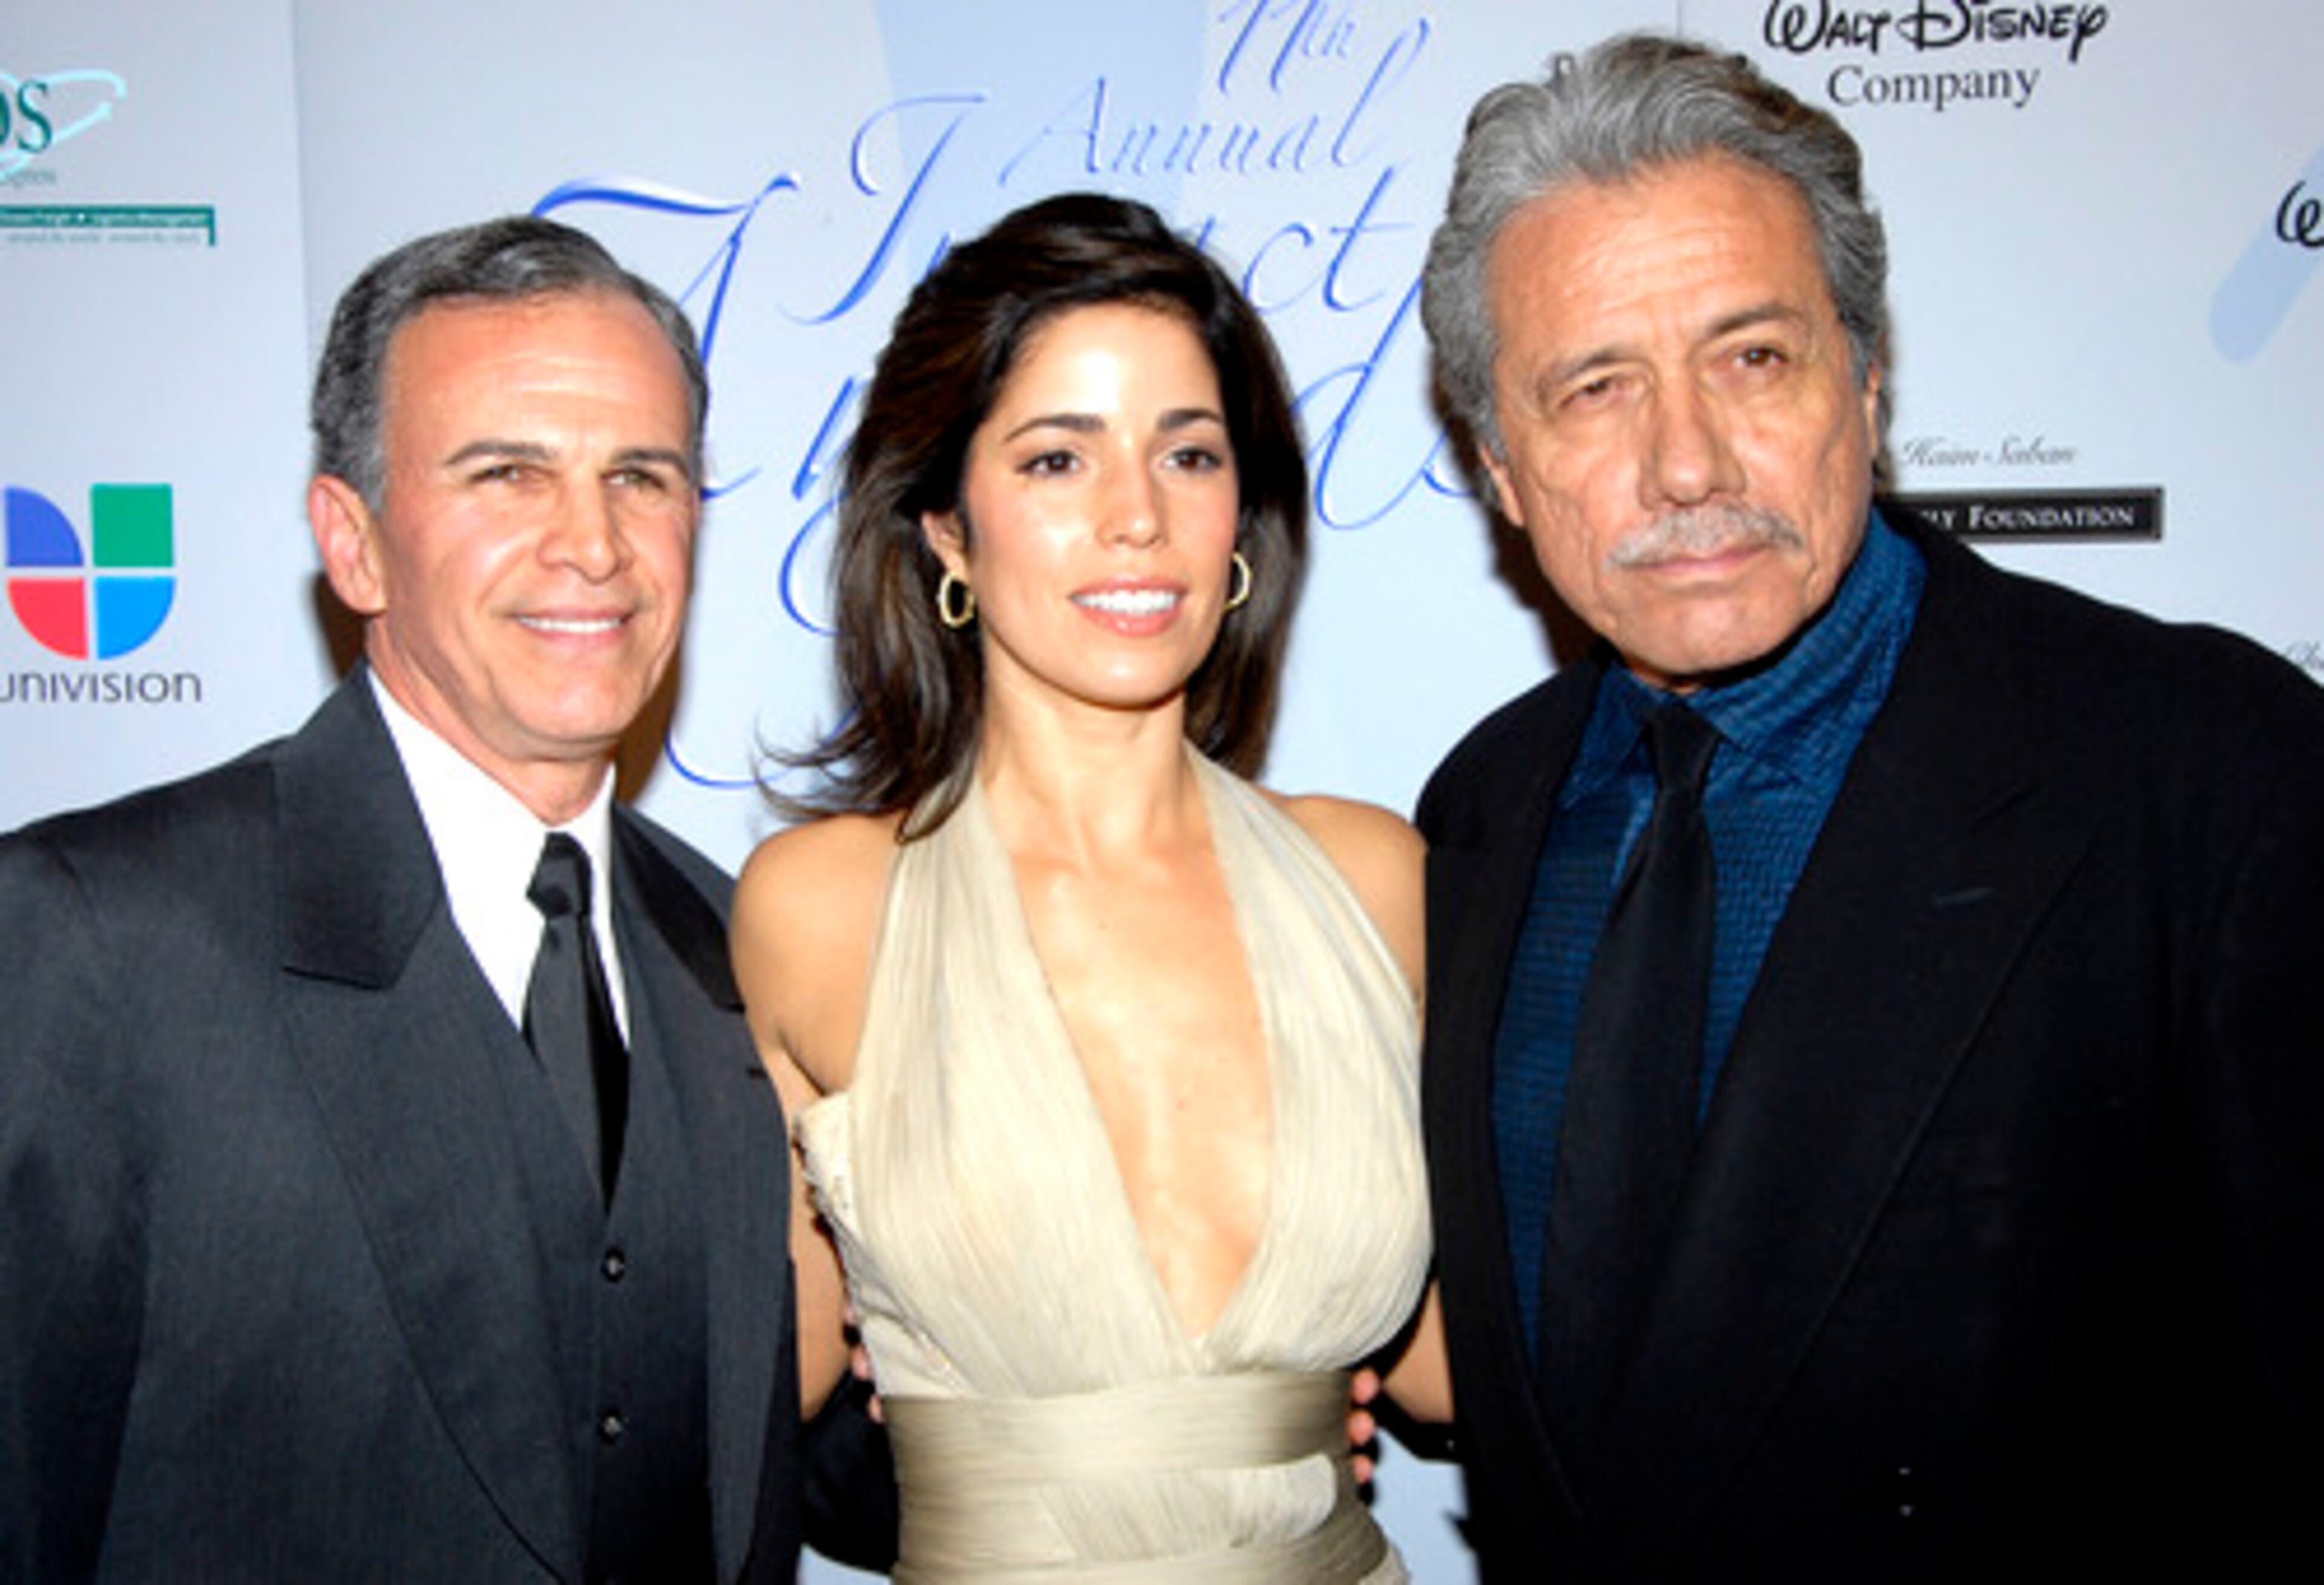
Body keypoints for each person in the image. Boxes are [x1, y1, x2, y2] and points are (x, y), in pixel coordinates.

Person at [1413, 32, 2324, 1581]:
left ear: (1868, 376)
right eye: (1594, 388)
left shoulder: (2207, 769)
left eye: (1752, 357)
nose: (1687, 461)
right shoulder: (1480, 812)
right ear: (1502, 465)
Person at [0, 215, 890, 1580]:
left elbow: (810, 1461)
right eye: (507, 475)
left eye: (641, 477)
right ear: (353, 544)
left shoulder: (742, 947)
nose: (592, 545)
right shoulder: (99, 938)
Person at [731, 192, 1449, 1580]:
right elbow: (758, 1387)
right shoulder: (819, 911)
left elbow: (1456, 1369)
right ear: (946, 525)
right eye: (1059, 460)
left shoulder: (1377, 879)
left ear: (1243, 509)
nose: (1137, 517)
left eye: (1189, 452)